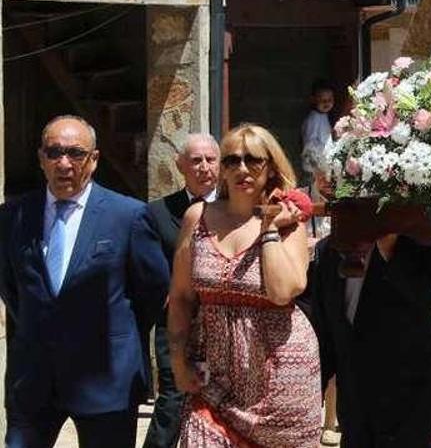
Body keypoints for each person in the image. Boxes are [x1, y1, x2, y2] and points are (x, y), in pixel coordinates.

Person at [0, 116, 169, 448]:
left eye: (76, 153)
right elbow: (11, 286)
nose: (64, 163)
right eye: (54, 152)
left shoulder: (128, 216)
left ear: (93, 159)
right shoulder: (12, 217)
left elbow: (153, 289)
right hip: (33, 379)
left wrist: (110, 330)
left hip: (106, 379)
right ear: (41, 158)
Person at [168, 123, 321, 446]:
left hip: (280, 382)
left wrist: (268, 228)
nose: (242, 169)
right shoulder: (198, 217)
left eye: (253, 160)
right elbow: (181, 296)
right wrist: (177, 361)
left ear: (271, 168)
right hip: (213, 377)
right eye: (231, 160)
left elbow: (283, 293)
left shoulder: (288, 224)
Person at [310, 229, 431, 447]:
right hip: (355, 409)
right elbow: (325, 335)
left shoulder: (426, 243)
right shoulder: (328, 251)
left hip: (412, 405)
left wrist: (389, 253)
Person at [141, 133, 220, 448]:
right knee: (173, 398)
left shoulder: (236, 209)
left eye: (210, 159)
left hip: (224, 321)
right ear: (180, 166)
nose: (203, 167)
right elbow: (149, 268)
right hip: (177, 322)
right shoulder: (158, 213)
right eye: (195, 160)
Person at [304, 82, 336, 152]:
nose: (326, 103)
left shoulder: (325, 116)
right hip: (317, 158)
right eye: (323, 100)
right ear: (313, 99)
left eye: (329, 100)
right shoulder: (314, 118)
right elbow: (310, 142)